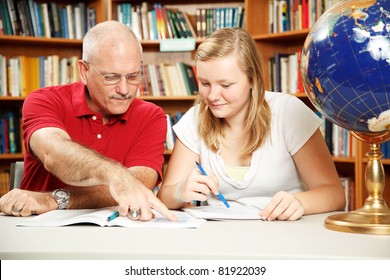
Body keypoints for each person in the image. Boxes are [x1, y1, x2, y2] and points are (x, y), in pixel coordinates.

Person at [158, 27, 345, 221]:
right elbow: (165, 197)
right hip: (220, 238)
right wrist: (181, 191)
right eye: (205, 83)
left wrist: (300, 202)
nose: (212, 96)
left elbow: (335, 195)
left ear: (252, 80)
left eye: (225, 85)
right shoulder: (195, 119)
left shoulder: (289, 113)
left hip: (284, 234)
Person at [0, 21, 176, 222]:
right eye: (111, 77)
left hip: (115, 234)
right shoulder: (44, 100)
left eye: (133, 76)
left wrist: (55, 199)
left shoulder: (151, 115)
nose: (125, 89)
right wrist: (115, 174)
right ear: (84, 71)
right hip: (37, 229)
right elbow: (53, 153)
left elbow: (139, 183)